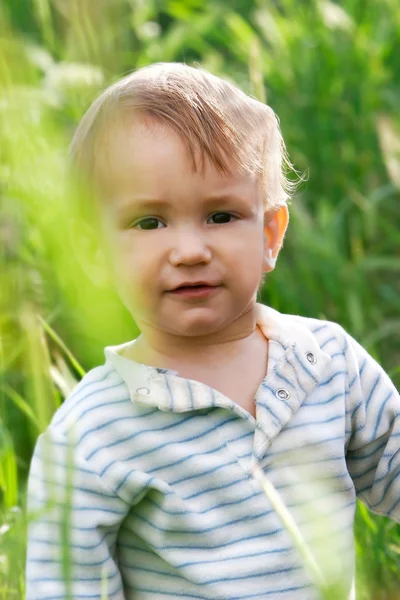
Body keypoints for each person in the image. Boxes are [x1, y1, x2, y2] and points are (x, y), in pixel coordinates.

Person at [25, 62, 399, 600]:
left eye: (221, 216)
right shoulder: (94, 435)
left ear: (270, 233)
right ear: (93, 252)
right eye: (149, 222)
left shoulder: (327, 362)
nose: (191, 251)